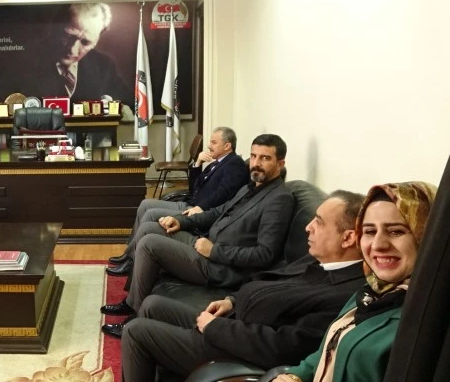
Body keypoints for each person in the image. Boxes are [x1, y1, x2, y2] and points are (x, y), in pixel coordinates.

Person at [120, 190, 368, 381]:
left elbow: (284, 347)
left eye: (319, 222)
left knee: (136, 331)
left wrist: (216, 328)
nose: (308, 227)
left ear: (348, 238)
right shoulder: (319, 259)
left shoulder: (345, 294)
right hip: (232, 320)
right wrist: (231, 301)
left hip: (238, 350)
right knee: (152, 304)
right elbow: (269, 280)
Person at [101, 134, 295, 337]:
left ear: (280, 163)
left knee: (150, 244)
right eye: (254, 156)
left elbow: (265, 254)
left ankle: (133, 317)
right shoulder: (250, 188)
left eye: (265, 158)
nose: (256, 163)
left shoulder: (280, 199)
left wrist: (214, 251)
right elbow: (217, 212)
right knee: (151, 227)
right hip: (206, 244)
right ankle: (131, 300)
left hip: (220, 266)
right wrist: (181, 221)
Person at [274, 181, 436, 382]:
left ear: (428, 236)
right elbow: (331, 348)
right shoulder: (372, 292)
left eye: (396, 231)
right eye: (369, 231)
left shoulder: (428, 315)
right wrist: (295, 375)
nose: (378, 245)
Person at [107, 127, 250, 276]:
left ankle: (132, 261)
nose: (209, 146)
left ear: (227, 146)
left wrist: (200, 207)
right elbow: (194, 187)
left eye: (213, 142)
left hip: (197, 212)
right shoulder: (218, 162)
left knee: (150, 214)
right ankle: (129, 253)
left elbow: (223, 194)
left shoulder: (235, 165)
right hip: (189, 203)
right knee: (145, 204)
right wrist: (197, 163)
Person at [23, 3, 132, 104]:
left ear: (96, 41)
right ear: (54, 28)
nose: (72, 50)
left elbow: (130, 104)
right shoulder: (23, 61)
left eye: (85, 42)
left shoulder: (104, 66)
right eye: (68, 36)